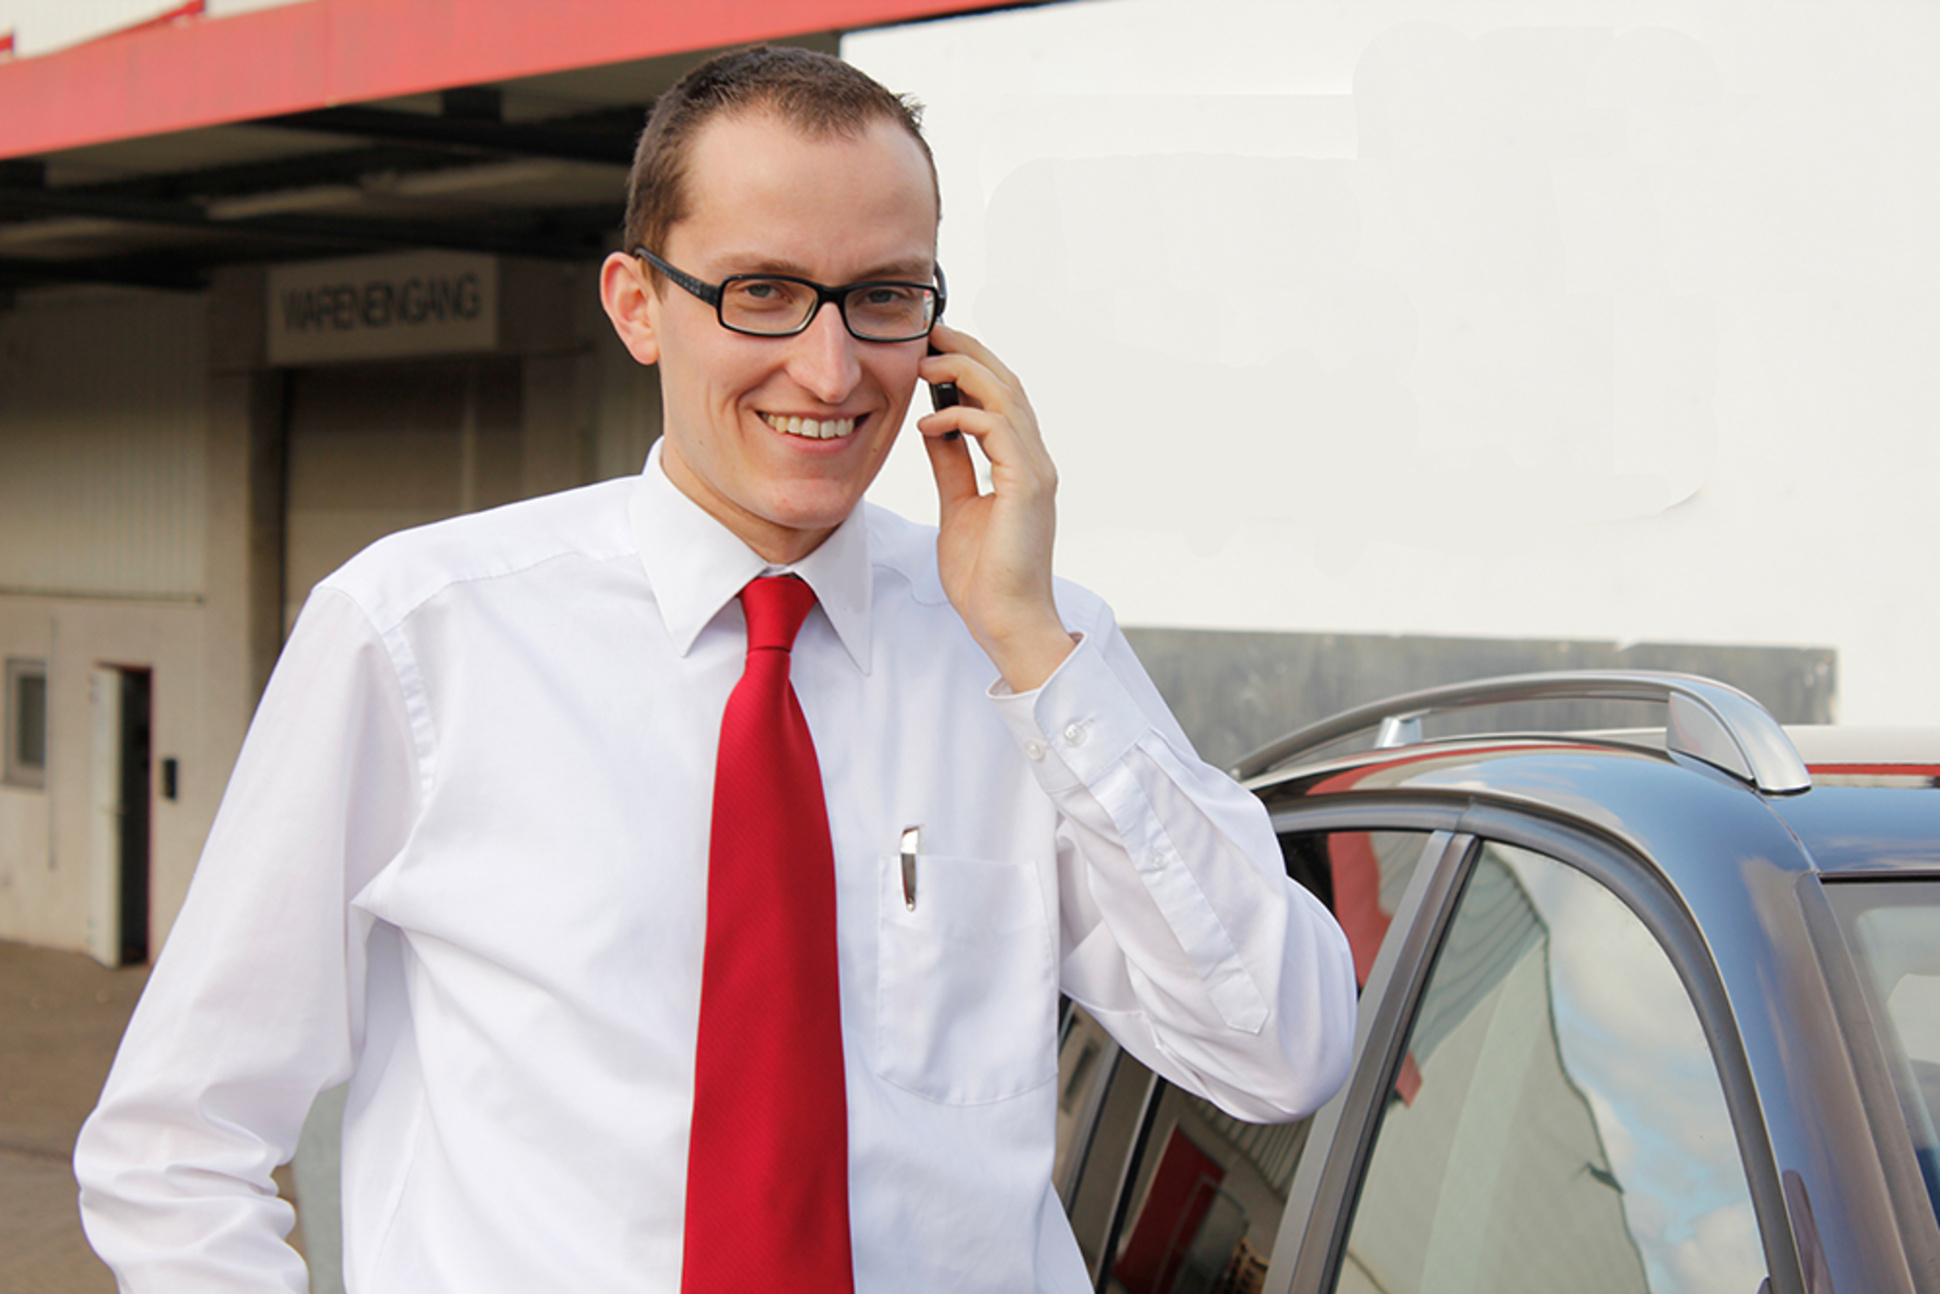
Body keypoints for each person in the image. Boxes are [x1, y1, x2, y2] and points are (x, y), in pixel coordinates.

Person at [75, 45, 1356, 1293]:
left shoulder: (1030, 654)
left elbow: (1282, 1053)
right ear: (638, 306)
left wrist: (1032, 649)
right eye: (762, 292)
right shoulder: (418, 634)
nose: (832, 366)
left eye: (884, 297)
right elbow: (179, 1138)